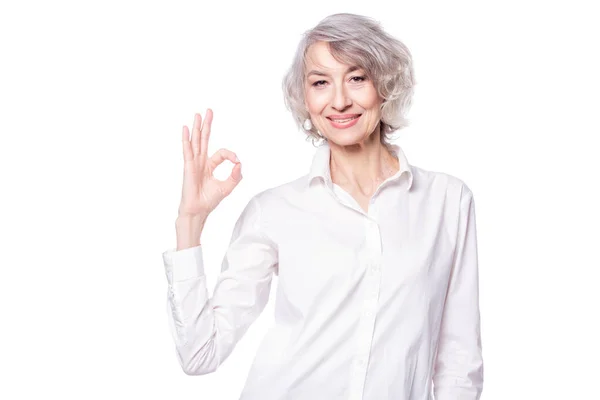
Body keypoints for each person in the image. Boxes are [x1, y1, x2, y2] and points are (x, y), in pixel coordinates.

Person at [162, 13, 483, 400]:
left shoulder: (447, 201)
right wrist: (190, 221)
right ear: (306, 98)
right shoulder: (274, 211)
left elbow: (458, 361)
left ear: (386, 85)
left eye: (357, 78)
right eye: (320, 83)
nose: (340, 100)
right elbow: (200, 354)